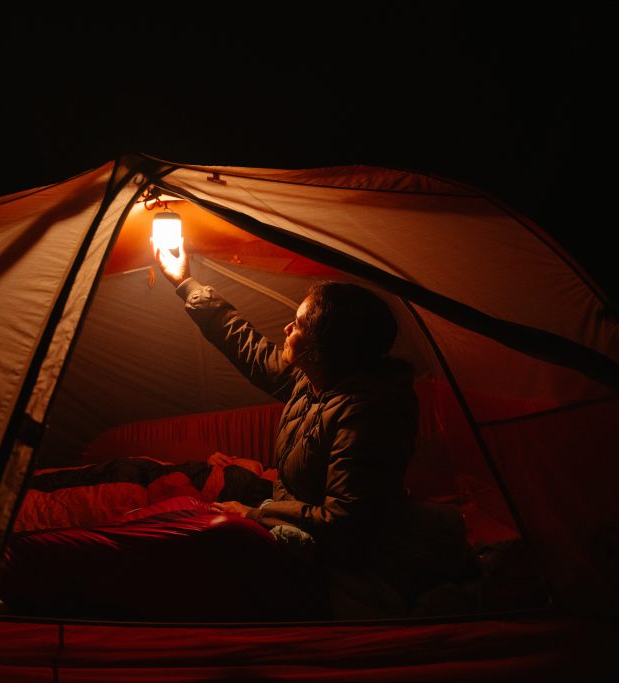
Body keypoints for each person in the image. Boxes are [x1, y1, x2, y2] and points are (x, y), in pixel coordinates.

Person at [153, 238, 473, 617]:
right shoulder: (319, 378)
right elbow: (249, 350)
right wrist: (185, 282)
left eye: (299, 323)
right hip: (299, 520)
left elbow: (344, 523)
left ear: (324, 346)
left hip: (348, 553)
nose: (288, 327)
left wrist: (257, 513)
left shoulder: (368, 413)